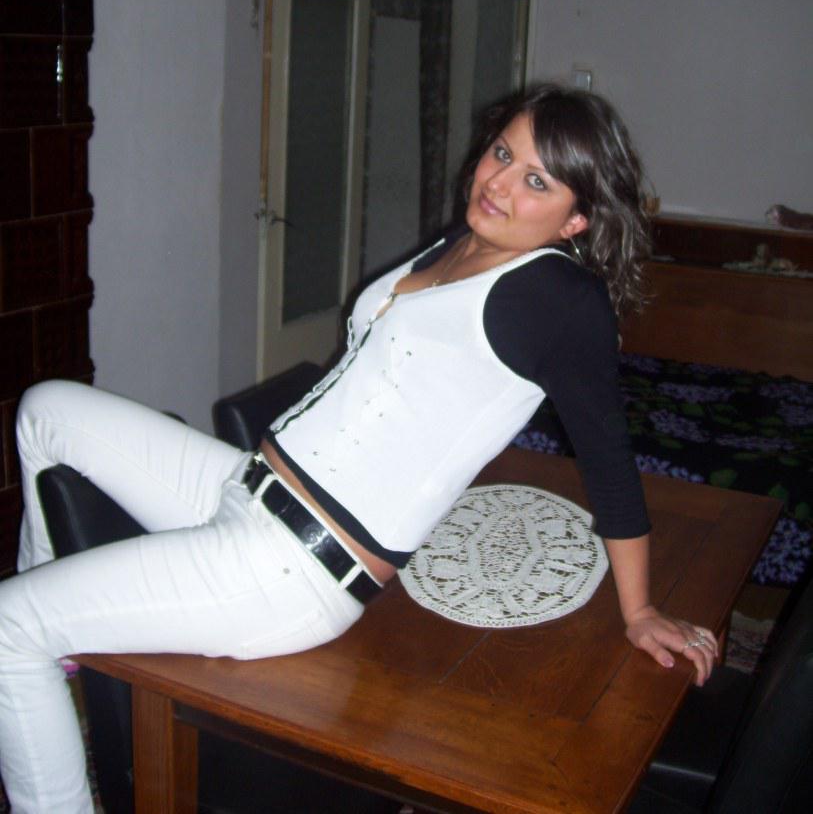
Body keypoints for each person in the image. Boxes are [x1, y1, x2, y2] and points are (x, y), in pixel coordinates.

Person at [0, 83, 717, 813]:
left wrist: (638, 612)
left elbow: (609, 461)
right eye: (503, 153)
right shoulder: (463, 240)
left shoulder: (558, 299)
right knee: (47, 411)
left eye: (537, 181)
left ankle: (35, 674)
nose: (499, 183)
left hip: (290, 566)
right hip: (245, 485)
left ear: (576, 218)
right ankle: (58, 659)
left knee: (6, 629)